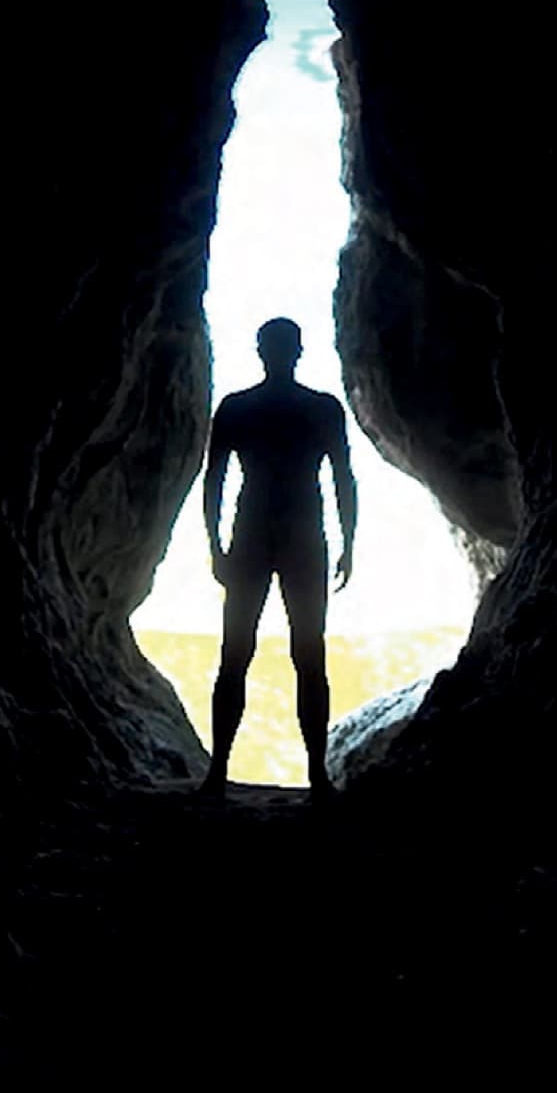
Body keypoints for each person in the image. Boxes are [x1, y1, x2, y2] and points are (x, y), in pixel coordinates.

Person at [199, 317, 356, 798]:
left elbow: (214, 482)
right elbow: (342, 480)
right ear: (300, 351)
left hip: (251, 535)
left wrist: (215, 544)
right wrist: (349, 541)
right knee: (309, 655)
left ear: (260, 351)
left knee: (236, 654)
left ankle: (217, 773)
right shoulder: (322, 409)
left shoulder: (237, 408)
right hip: (305, 537)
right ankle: (317, 775)